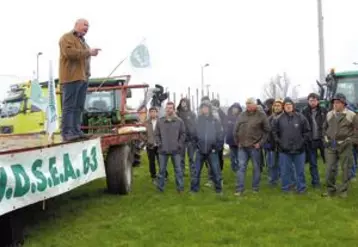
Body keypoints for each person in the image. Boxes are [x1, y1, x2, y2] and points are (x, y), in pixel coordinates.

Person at [59, 18, 101, 141]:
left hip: (83, 78)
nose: (86, 28)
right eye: (84, 25)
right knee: (69, 106)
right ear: (76, 25)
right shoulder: (66, 37)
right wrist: (88, 51)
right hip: (71, 77)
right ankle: (67, 132)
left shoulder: (83, 42)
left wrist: (88, 75)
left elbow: (85, 59)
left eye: (88, 26)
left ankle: (76, 130)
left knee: (79, 106)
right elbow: (69, 53)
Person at [322, 93, 358, 198]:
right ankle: (330, 190)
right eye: (334, 103)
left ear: (343, 103)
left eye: (337, 102)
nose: (335, 105)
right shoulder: (329, 114)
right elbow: (324, 128)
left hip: (345, 145)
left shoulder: (351, 115)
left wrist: (352, 141)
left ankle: (343, 191)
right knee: (329, 169)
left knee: (346, 169)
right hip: (331, 145)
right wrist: (325, 139)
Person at [272, 97, 310, 194]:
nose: (288, 107)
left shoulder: (301, 117)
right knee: (285, 171)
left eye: (290, 105)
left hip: (299, 150)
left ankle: (301, 188)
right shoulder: (278, 119)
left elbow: (307, 131)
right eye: (286, 105)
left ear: (293, 106)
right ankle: (286, 188)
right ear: (283, 107)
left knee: (300, 171)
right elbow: (274, 133)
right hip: (284, 150)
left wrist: (302, 142)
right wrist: (280, 142)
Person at [234, 97, 271, 195]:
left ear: (255, 105)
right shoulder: (242, 115)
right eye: (247, 104)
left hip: (255, 147)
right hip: (242, 146)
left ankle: (255, 188)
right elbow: (236, 129)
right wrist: (237, 141)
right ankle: (239, 189)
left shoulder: (261, 115)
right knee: (241, 168)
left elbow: (267, 131)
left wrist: (261, 143)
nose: (248, 106)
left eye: (250, 104)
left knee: (256, 168)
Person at [191, 102, 223, 194]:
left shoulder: (215, 120)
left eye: (206, 107)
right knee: (196, 171)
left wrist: (217, 147)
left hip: (212, 150)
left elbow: (220, 135)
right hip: (200, 150)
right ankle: (194, 190)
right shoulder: (198, 120)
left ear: (209, 109)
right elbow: (194, 134)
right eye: (202, 108)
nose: (204, 109)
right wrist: (196, 145)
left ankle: (219, 190)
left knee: (216, 171)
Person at [155, 102, 186, 193]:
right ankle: (160, 189)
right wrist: (160, 144)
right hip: (163, 150)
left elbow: (183, 134)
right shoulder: (160, 121)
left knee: (178, 170)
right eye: (167, 108)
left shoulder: (179, 121)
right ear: (165, 109)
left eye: (171, 108)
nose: (169, 110)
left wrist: (179, 144)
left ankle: (180, 188)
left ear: (174, 109)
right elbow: (156, 134)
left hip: (175, 150)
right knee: (161, 171)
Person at [302, 93, 327, 188]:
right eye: (311, 100)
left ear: (318, 101)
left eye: (315, 100)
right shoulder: (304, 112)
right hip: (311, 140)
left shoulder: (324, 110)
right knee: (313, 163)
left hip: (322, 139)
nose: (313, 102)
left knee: (329, 161)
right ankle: (315, 182)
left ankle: (330, 181)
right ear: (308, 101)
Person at [145, 107, 168, 183]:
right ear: (149, 113)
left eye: (154, 112)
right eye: (151, 112)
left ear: (157, 113)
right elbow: (142, 133)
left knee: (161, 161)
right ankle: (153, 177)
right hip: (150, 145)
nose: (153, 113)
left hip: (159, 145)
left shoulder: (161, 121)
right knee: (151, 162)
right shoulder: (146, 123)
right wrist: (146, 140)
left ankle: (164, 176)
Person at [176, 98, 196, 177]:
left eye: (184, 102)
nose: (183, 103)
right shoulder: (178, 114)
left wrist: (194, 137)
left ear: (188, 103)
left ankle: (193, 172)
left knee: (191, 158)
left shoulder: (192, 114)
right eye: (182, 102)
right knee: (181, 158)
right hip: (181, 139)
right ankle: (181, 172)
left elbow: (195, 126)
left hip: (191, 139)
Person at [225, 103, 242, 172]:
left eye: (236, 108)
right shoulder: (228, 117)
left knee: (239, 155)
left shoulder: (241, 117)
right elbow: (225, 126)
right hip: (230, 139)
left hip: (239, 140)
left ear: (238, 109)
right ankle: (233, 168)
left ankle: (239, 168)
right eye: (233, 108)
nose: (234, 110)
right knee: (232, 156)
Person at [211, 99, 227, 171]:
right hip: (211, 137)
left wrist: (222, 134)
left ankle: (220, 169)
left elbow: (225, 125)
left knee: (219, 153)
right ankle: (213, 171)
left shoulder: (222, 113)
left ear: (217, 105)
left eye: (213, 104)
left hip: (219, 137)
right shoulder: (210, 113)